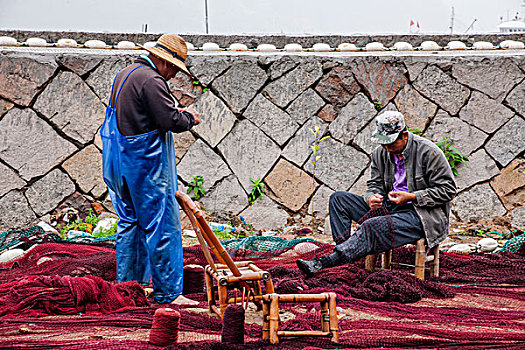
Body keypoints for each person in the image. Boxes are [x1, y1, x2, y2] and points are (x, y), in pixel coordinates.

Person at [100, 34, 200, 305]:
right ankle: (169, 293)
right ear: (164, 62)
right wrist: (190, 117)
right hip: (143, 163)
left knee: (129, 222)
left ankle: (130, 287)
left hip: (117, 161)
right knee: (162, 224)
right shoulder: (152, 80)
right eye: (174, 69)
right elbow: (170, 120)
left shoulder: (125, 74)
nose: (173, 75)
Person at [297, 111, 456, 276]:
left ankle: (325, 263)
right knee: (338, 200)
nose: (386, 148)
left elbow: (448, 190)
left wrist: (412, 197)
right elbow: (374, 184)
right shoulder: (382, 152)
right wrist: (371, 197)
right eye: (383, 144)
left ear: (405, 136)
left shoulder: (429, 152)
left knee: (372, 226)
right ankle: (346, 256)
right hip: (390, 208)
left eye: (390, 143)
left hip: (421, 216)